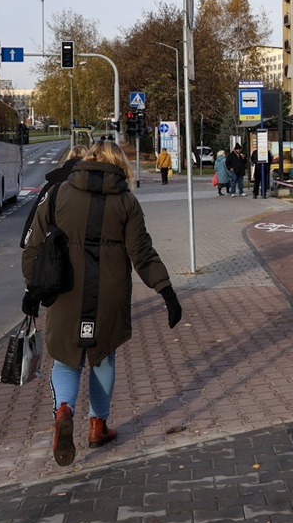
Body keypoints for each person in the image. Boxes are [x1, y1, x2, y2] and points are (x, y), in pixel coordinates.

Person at [21, 139, 182, 467]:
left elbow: (34, 248)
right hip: (109, 292)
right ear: (119, 163)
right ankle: (97, 426)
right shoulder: (127, 201)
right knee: (102, 357)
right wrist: (166, 292)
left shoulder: (58, 193)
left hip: (66, 290)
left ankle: (64, 409)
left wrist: (35, 290)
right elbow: (142, 253)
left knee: (66, 360)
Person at [19, 144, 88, 249]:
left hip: (56, 243)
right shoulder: (90, 180)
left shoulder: (53, 182)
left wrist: (26, 240)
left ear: (68, 158)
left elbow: (38, 211)